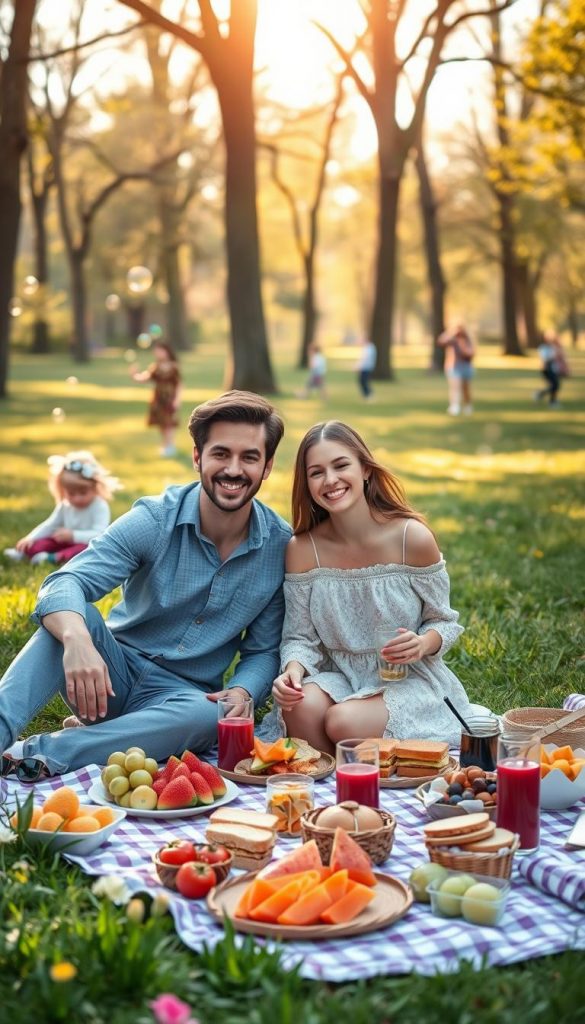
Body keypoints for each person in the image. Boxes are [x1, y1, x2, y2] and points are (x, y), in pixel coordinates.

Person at [0, 391, 291, 777]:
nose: (233, 469)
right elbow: (65, 580)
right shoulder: (154, 520)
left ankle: (47, 752)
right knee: (71, 617)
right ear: (197, 457)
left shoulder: (279, 546)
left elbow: (263, 650)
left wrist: (242, 691)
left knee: (209, 717)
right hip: (106, 677)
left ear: (267, 466)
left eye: (249, 457)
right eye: (221, 453)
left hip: (181, 700)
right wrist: (77, 640)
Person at [263, 421, 472, 753]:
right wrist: (292, 671)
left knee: (342, 722)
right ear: (307, 484)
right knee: (298, 706)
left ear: (365, 470)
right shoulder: (303, 550)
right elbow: (300, 638)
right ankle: (337, 786)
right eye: (316, 472)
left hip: (407, 679)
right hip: (340, 676)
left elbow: (443, 621)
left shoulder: (410, 537)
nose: (330, 480)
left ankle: (363, 771)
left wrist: (421, 644)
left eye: (341, 465)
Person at [3, 451, 121, 566]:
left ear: (94, 487)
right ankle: (24, 552)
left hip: (86, 544)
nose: (77, 499)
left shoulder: (99, 506)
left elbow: (99, 534)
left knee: (83, 552)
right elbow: (50, 525)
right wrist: (30, 538)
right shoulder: (65, 504)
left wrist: (73, 535)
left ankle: (51, 558)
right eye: (71, 494)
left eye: (83, 493)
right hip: (64, 540)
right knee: (46, 541)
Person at [131, 341, 181, 456]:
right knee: (161, 423)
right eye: (156, 351)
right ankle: (165, 444)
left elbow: (179, 385)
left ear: (167, 351)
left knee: (169, 423)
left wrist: (177, 400)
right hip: (158, 399)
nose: (158, 354)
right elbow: (144, 378)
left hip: (169, 398)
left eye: (160, 351)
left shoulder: (173, 367)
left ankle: (170, 445)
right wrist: (134, 374)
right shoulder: (155, 367)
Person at [438, 324, 475, 415]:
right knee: (454, 387)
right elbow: (440, 341)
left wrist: (462, 346)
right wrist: (450, 333)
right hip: (453, 366)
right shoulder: (452, 340)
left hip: (465, 366)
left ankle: (467, 405)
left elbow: (471, 353)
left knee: (465, 388)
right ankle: (454, 406)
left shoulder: (467, 340)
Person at [534, 330, 568, 408]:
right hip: (547, 369)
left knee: (555, 385)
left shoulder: (554, 347)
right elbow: (546, 359)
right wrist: (555, 355)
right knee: (555, 385)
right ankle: (550, 400)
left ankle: (543, 395)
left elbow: (561, 356)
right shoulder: (544, 347)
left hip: (554, 369)